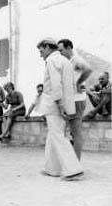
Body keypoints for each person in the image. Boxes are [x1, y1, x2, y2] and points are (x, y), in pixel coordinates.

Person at [36, 38, 83, 181]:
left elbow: (56, 84)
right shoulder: (65, 61)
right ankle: (52, 169)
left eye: (41, 50)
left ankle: (73, 169)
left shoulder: (52, 60)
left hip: (55, 105)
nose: (40, 54)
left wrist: (60, 104)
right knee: (53, 136)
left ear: (48, 47)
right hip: (63, 105)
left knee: (57, 136)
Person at [58, 39, 92, 160]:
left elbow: (88, 70)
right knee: (72, 132)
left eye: (61, 50)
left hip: (77, 100)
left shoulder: (76, 59)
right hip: (71, 100)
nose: (60, 53)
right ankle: (72, 161)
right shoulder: (68, 61)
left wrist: (79, 83)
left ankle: (76, 164)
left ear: (69, 48)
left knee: (76, 132)